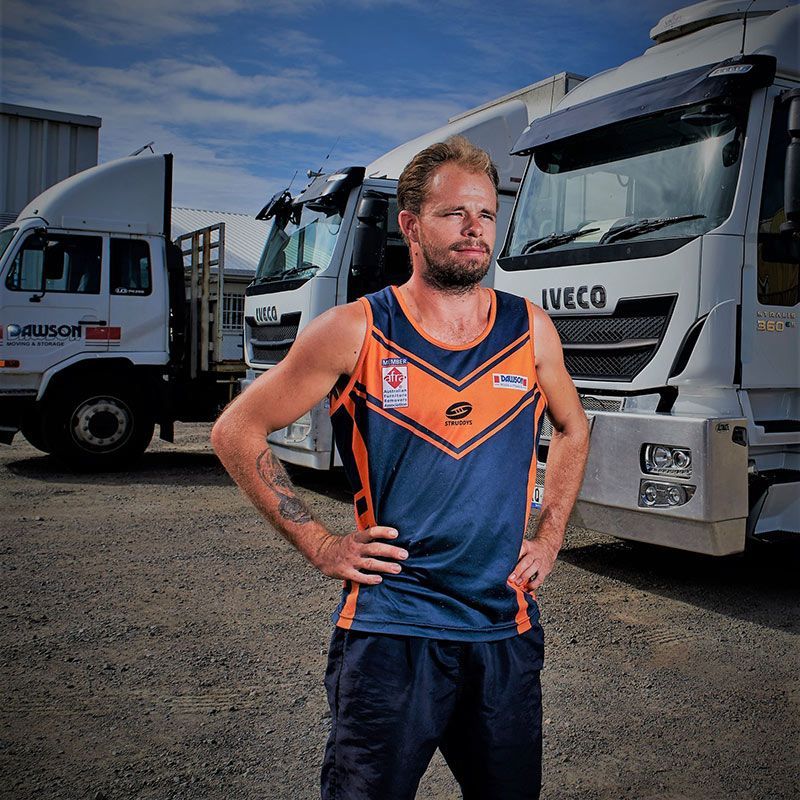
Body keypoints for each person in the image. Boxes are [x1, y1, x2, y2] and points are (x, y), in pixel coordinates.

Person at [211, 135, 590, 800]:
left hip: (503, 630)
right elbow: (237, 429)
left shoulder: (530, 330)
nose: (475, 229)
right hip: (391, 633)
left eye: (485, 214)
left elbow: (572, 426)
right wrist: (320, 542)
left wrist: (551, 533)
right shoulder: (354, 329)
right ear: (409, 224)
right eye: (454, 214)